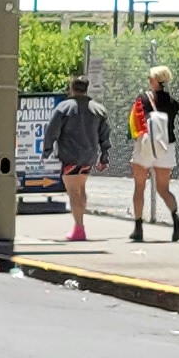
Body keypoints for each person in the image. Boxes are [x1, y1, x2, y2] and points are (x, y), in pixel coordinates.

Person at [45, 76, 113, 241]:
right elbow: (105, 135)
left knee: (73, 191)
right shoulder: (98, 109)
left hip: (70, 156)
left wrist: (47, 150)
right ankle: (78, 225)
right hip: (89, 156)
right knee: (81, 189)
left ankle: (79, 228)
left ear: (71, 88)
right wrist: (104, 156)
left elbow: (51, 131)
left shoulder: (64, 108)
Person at [130, 66, 179, 240]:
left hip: (146, 145)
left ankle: (138, 227)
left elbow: (135, 120)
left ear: (155, 80)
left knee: (140, 187)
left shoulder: (143, 98)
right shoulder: (173, 103)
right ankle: (176, 218)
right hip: (166, 146)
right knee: (163, 188)